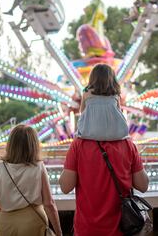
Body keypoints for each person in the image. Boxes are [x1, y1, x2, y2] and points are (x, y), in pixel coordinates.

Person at [59, 64, 149, 235]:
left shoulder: (78, 146)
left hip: (87, 230)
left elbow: (65, 186)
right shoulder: (128, 146)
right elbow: (143, 185)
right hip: (121, 230)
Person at [0, 125, 62, 236]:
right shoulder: (38, 167)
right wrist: (59, 232)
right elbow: (49, 204)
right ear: (34, 145)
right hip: (33, 222)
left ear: (10, 144)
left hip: (5, 224)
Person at [75, 64, 129, 141]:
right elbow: (119, 112)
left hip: (89, 133)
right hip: (115, 133)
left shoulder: (86, 91)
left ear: (93, 77)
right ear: (111, 78)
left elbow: (82, 112)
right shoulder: (115, 93)